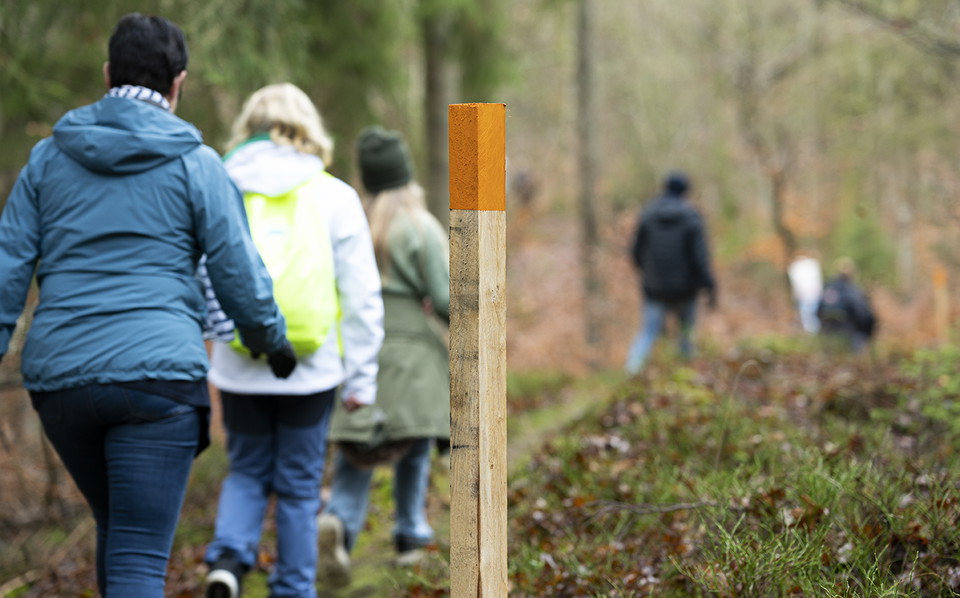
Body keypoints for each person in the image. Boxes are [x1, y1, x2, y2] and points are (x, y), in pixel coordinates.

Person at [0, 14, 295, 598]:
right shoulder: (197, 164)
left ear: (108, 74)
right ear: (178, 84)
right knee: (138, 555)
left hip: (61, 383)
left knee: (119, 530)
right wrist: (270, 342)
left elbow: (8, 267)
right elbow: (238, 272)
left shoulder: (46, 161)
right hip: (156, 381)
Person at [202, 84, 384, 598]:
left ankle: (228, 563)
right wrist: (361, 378)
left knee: (246, 471)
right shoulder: (334, 195)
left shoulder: (219, 185)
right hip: (312, 366)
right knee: (300, 487)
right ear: (308, 128)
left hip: (239, 363)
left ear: (249, 125)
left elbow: (201, 273)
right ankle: (293, 589)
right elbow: (362, 296)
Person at [316, 126, 451, 588]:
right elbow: (445, 296)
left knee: (357, 450)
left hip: (357, 345)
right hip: (412, 349)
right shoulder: (421, 227)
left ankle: (340, 524)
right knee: (413, 444)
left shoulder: (350, 221)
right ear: (406, 176)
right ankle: (411, 533)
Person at [625, 171, 716, 375]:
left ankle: (631, 373)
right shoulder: (692, 217)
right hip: (686, 290)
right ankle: (686, 377)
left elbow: (635, 253)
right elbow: (700, 258)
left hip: (654, 288)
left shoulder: (648, 215)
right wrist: (709, 286)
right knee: (686, 335)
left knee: (648, 333)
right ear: (685, 191)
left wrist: (648, 275)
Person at [817, 257, 876, 353]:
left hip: (827, 334)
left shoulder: (828, 287)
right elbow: (864, 315)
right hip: (849, 334)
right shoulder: (852, 290)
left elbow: (818, 311)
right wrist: (869, 333)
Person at [788, 253, 823, 334]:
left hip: (808, 296)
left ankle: (812, 333)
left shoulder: (800, 268)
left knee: (809, 316)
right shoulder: (809, 266)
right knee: (810, 316)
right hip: (810, 295)